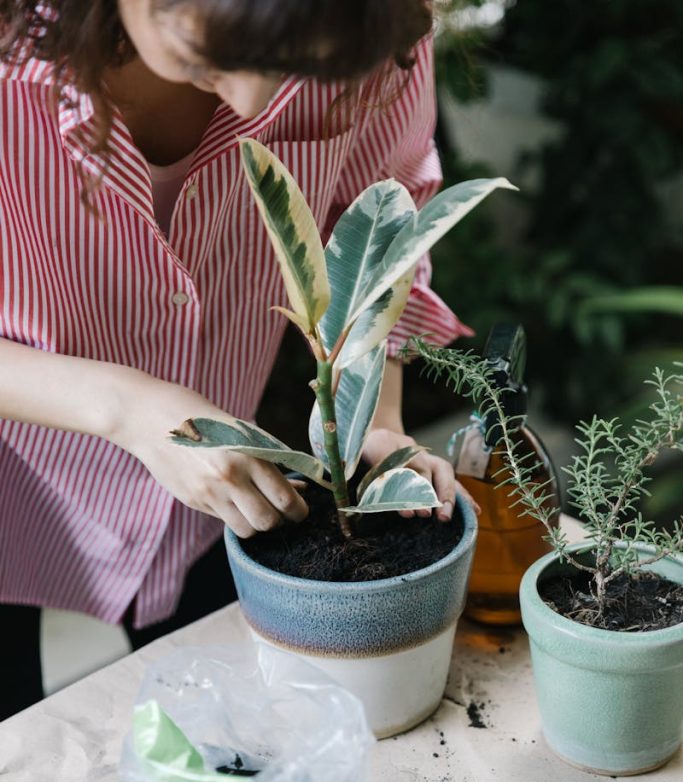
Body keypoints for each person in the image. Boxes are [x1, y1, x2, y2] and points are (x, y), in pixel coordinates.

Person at [0, 0, 475, 720]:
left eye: (299, 69)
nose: (258, 106)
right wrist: (127, 407)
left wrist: (373, 422)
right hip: (17, 481)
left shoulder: (371, 25)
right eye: (205, 59)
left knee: (226, 734)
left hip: (205, 504)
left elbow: (384, 239)